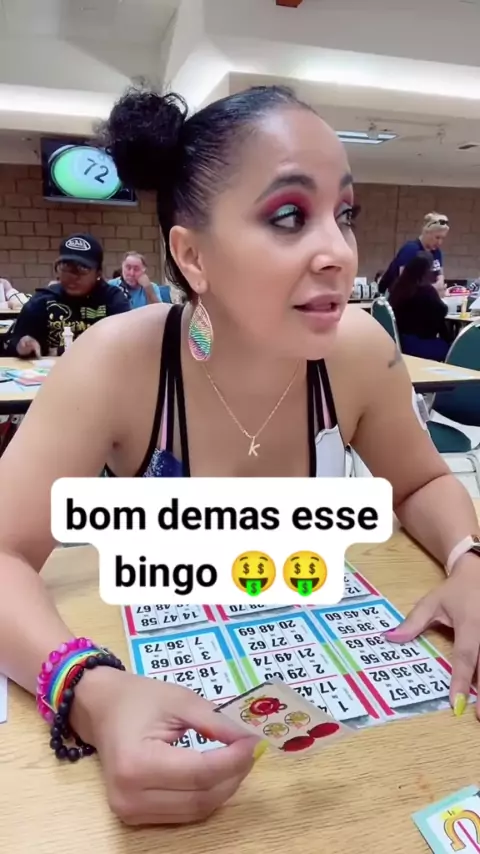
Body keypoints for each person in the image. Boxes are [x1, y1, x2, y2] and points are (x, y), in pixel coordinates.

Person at [0, 84, 480, 828]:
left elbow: (418, 481)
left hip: (337, 734)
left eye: (344, 214)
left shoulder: (358, 351)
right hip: (165, 679)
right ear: (192, 255)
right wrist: (91, 692)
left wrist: (468, 560)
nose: (339, 251)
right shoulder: (114, 362)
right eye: (289, 216)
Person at [5, 234, 130, 358]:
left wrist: (58, 351)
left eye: (82, 268)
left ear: (98, 273)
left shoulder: (112, 300)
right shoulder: (43, 300)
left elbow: (127, 344)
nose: (72, 276)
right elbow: (11, 343)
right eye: (65, 267)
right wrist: (21, 346)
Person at [388, 252, 451, 361]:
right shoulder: (427, 291)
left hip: (400, 342)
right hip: (420, 346)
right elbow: (442, 311)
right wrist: (438, 295)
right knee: (450, 346)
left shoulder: (397, 287)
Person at [378, 212, 449, 296]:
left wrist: (440, 286)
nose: (440, 242)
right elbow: (405, 284)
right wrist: (432, 289)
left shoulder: (436, 252)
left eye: (442, 238)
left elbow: (440, 276)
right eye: (437, 237)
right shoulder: (410, 250)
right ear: (426, 232)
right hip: (393, 296)